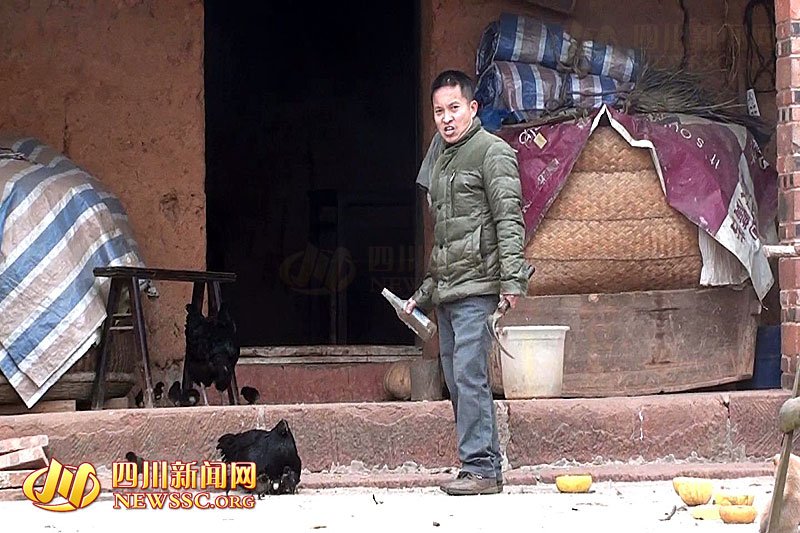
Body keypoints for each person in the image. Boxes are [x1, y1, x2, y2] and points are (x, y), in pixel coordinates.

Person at [404, 69, 529, 496]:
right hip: (449, 291)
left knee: (470, 377)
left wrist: (512, 281)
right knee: (458, 380)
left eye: (454, 108)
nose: (447, 118)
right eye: (439, 111)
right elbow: (446, 239)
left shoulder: (492, 152)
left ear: (473, 108)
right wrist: (423, 294)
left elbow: (509, 219)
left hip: (478, 289)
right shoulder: (440, 158)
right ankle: (485, 467)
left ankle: (478, 467)